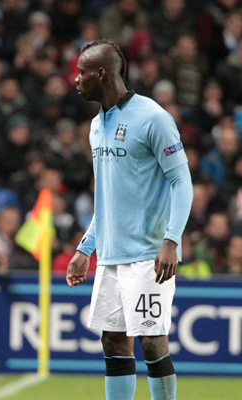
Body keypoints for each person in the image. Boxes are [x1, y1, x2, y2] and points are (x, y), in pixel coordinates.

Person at [67, 39, 193, 400]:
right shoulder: (96, 125)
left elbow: (182, 182)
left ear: (101, 73)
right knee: (113, 340)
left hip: (148, 254)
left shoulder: (153, 117)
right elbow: (108, 199)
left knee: (152, 341)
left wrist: (171, 240)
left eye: (81, 72)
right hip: (110, 256)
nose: (75, 79)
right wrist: (86, 248)